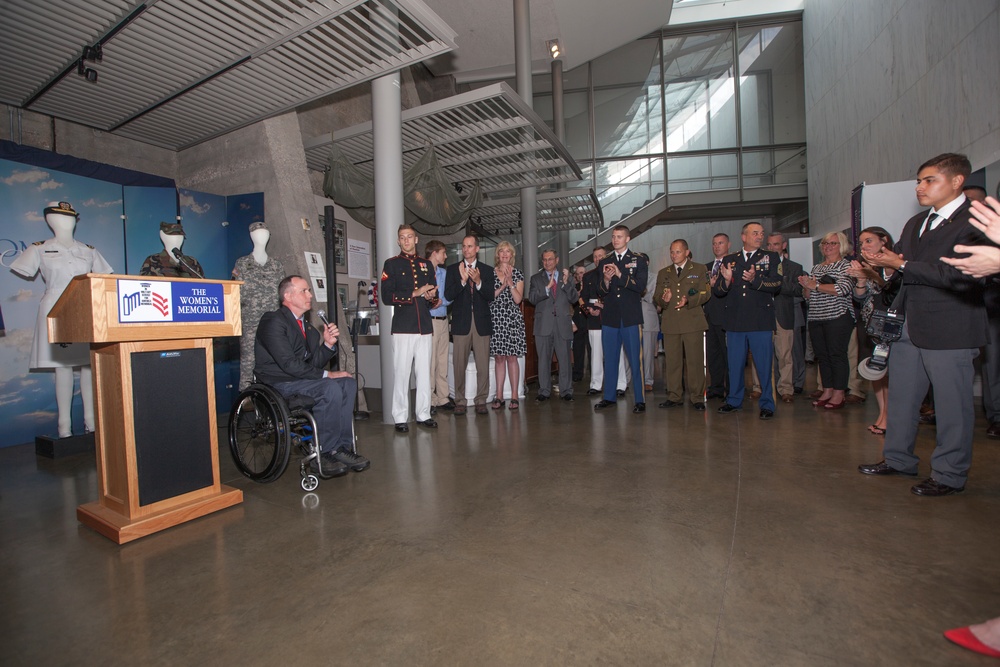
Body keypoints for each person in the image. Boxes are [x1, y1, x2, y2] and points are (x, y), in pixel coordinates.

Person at [858, 153, 993, 496]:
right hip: (908, 325)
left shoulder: (975, 222)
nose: (920, 187)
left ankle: (949, 474)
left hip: (951, 325)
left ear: (957, 181)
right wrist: (881, 266)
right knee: (903, 398)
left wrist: (899, 264)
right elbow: (899, 266)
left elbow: (960, 274)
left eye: (929, 180)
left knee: (952, 407)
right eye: (919, 181)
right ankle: (898, 458)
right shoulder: (916, 223)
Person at [10, 201, 113, 438]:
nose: (66, 222)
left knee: (88, 365)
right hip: (55, 309)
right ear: (49, 220)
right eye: (60, 217)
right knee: (63, 368)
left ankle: (91, 423)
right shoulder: (39, 249)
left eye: (70, 217)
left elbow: (101, 277)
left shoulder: (89, 250)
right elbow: (28, 270)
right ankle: (64, 427)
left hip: (85, 309)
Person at [255, 275, 369, 477]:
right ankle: (324, 452)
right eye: (304, 291)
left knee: (348, 383)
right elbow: (288, 364)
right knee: (330, 386)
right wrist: (328, 374)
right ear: (288, 296)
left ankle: (341, 448)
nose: (310, 295)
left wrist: (327, 345)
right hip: (279, 383)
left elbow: (311, 364)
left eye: (309, 290)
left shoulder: (309, 330)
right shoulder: (272, 321)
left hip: (300, 381)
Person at [712, 221, 783, 419]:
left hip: (760, 320)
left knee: (763, 364)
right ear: (744, 237)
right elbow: (718, 290)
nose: (759, 236)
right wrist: (725, 280)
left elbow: (777, 283)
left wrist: (755, 280)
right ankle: (734, 400)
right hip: (735, 320)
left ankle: (767, 403)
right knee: (734, 364)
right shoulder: (730, 259)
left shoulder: (770, 257)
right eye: (755, 233)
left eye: (761, 233)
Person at [380, 224, 438, 432]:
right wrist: (415, 293)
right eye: (402, 237)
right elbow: (386, 297)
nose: (406, 241)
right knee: (402, 374)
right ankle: (400, 417)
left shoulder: (426, 265)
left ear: (416, 239)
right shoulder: (391, 264)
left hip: (424, 326)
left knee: (424, 374)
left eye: (409, 237)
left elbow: (433, 297)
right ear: (398, 241)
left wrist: (431, 297)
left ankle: (423, 414)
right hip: (403, 327)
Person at [847, 227, 898, 436]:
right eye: (862, 242)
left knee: (891, 373)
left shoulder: (893, 262)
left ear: (884, 241)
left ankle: (890, 418)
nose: (865, 246)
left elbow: (890, 290)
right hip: (869, 324)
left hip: (890, 325)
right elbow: (859, 298)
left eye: (869, 241)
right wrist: (860, 280)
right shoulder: (866, 266)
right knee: (876, 373)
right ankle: (883, 414)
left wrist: (870, 275)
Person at [798, 231, 855, 410]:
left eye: (833, 243)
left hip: (838, 316)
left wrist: (815, 285)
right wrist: (806, 286)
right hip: (816, 317)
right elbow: (808, 296)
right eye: (825, 243)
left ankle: (839, 393)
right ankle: (827, 390)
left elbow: (842, 289)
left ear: (842, 246)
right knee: (822, 356)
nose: (828, 246)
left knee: (837, 355)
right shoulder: (817, 268)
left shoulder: (846, 266)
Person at [595, 225, 648, 413]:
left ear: (627, 239)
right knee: (609, 358)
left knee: (635, 360)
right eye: (613, 236)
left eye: (619, 236)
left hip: (630, 317)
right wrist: (608, 281)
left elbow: (640, 286)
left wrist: (619, 274)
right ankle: (609, 396)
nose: (615, 240)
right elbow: (600, 290)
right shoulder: (605, 261)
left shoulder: (638, 260)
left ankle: (639, 399)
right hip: (610, 317)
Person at [653, 239, 709, 410]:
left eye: (677, 251)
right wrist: (664, 299)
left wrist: (688, 300)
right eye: (672, 252)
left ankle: (697, 397)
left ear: (686, 252)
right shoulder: (664, 272)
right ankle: (674, 395)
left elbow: (705, 292)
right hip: (671, 324)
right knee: (673, 362)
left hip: (692, 322)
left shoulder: (699, 269)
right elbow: (656, 296)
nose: (674, 255)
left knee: (695, 362)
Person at [444, 235, 496, 415]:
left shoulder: (487, 270)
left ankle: (481, 399)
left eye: (469, 246)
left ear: (477, 249)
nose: (466, 249)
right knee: (459, 364)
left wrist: (479, 281)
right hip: (460, 322)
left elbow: (490, 295)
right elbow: (448, 295)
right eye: (464, 246)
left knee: (483, 364)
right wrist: (463, 280)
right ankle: (460, 400)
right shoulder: (452, 270)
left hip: (481, 322)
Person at [750, 233, 804, 403]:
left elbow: (797, 290)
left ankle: (786, 388)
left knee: (785, 355)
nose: (772, 248)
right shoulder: (759, 265)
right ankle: (758, 387)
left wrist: (777, 282)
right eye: (769, 244)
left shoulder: (794, 267)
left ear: (784, 245)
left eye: (776, 244)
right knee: (759, 354)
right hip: (761, 316)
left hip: (783, 315)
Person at [231, 221, 285, 391]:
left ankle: (273, 396)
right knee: (248, 361)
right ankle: (246, 400)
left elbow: (284, 295)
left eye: (264, 234)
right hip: (250, 321)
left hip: (272, 321)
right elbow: (234, 293)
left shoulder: (277, 265)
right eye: (257, 234)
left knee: (275, 357)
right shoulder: (242, 263)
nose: (261, 237)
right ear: (251, 236)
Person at [528, 249, 578, 404]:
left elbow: (574, 298)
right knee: (543, 360)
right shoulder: (536, 279)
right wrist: (547, 288)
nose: (547, 262)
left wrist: (565, 283)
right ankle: (544, 391)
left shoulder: (566, 278)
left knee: (564, 360)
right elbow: (532, 299)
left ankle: (566, 391)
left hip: (562, 324)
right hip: (543, 325)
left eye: (550, 259)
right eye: (544, 260)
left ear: (557, 260)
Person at [580, 246, 627, 397]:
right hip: (594, 319)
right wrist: (590, 309)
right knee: (596, 354)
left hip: (612, 317)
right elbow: (583, 298)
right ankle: (596, 384)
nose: (598, 259)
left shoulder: (616, 273)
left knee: (616, 353)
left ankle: (620, 385)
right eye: (595, 257)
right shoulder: (588, 276)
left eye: (600, 256)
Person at [489, 241, 526, 409]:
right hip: (495, 318)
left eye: (508, 251)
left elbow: (518, 299)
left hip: (511, 319)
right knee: (499, 358)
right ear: (498, 254)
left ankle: (514, 396)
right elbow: (489, 298)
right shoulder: (489, 274)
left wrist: (510, 283)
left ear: (512, 255)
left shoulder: (518, 274)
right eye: (501, 251)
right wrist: (502, 285)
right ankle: (498, 396)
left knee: (512, 358)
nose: (504, 254)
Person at [424, 239, 454, 414]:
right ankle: (430, 399)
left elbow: (449, 296)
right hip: (429, 321)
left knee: (442, 360)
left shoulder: (444, 273)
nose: (445, 255)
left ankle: (443, 397)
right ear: (434, 253)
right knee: (430, 361)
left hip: (444, 320)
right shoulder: (421, 271)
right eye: (443, 252)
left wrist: (444, 301)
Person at [704, 233, 731, 400]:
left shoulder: (733, 265)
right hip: (709, 316)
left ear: (728, 244)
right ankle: (716, 387)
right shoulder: (706, 267)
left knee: (728, 355)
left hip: (727, 316)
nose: (717, 246)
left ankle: (731, 388)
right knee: (713, 355)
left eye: (720, 243)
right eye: (714, 243)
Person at [638, 252, 659, 393]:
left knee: (648, 352)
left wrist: (642, 291)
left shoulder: (655, 278)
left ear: (647, 262)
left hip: (648, 318)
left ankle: (648, 380)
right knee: (630, 351)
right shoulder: (630, 277)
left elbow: (654, 297)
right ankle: (628, 379)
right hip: (631, 318)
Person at [570, 264, 589, 383]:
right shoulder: (573, 288)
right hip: (577, 322)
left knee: (593, 350)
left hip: (590, 321)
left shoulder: (591, 286)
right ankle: (577, 373)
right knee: (578, 350)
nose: (581, 275)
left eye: (583, 272)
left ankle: (594, 374)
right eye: (579, 273)